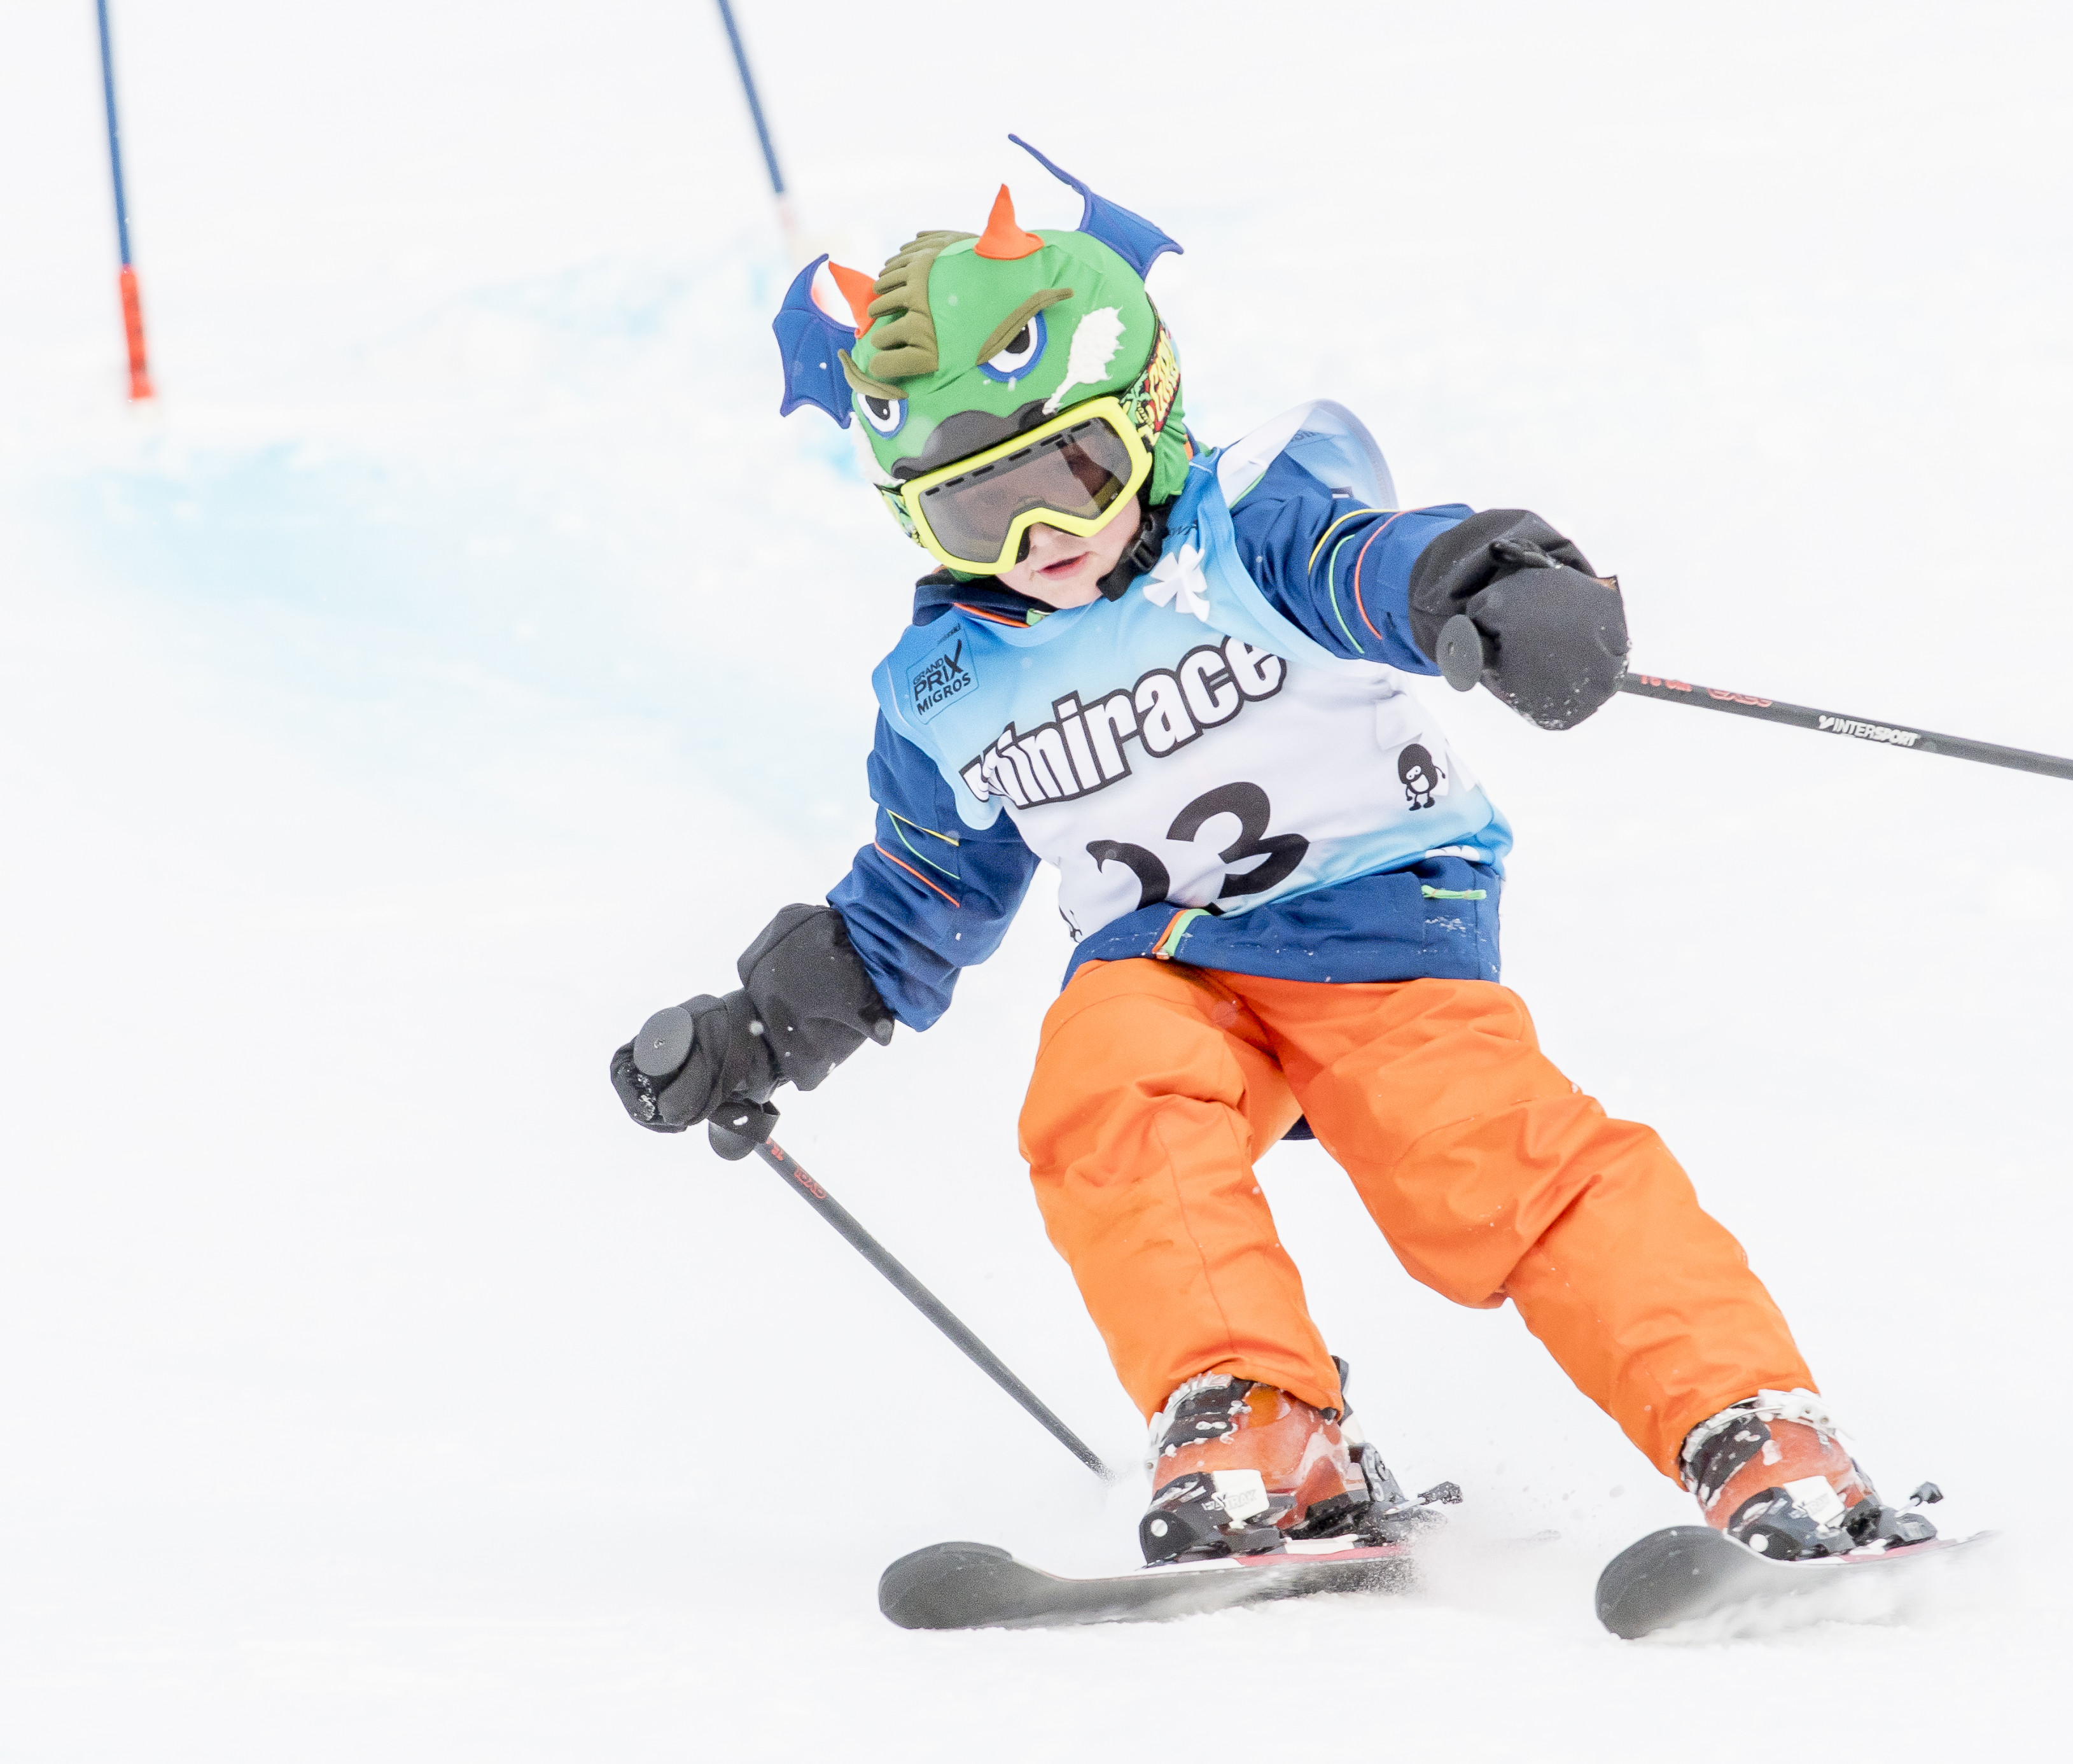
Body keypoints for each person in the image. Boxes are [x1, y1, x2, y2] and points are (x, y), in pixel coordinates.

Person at [611, 140, 1932, 1566]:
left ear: (1149, 411)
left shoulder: (1243, 532)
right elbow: (921, 890)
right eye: (978, 510)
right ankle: (1251, 1419)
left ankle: (1748, 1426)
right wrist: (764, 1025)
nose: (1042, 534)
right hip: (1163, 964)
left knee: (1483, 1167)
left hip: (1370, 925)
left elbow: (1374, 565)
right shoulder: (945, 685)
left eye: (1075, 468)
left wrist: (1487, 589)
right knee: (1105, 1089)